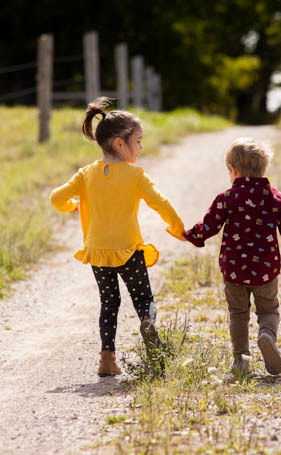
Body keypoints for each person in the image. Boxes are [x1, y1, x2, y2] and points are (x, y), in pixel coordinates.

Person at [49, 97, 185, 377]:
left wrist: (72, 206)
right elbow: (161, 203)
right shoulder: (136, 175)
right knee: (143, 298)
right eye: (138, 140)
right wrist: (177, 228)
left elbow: (56, 197)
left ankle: (107, 359)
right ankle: (151, 341)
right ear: (119, 144)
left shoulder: (86, 174)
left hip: (98, 251)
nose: (141, 146)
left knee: (109, 302)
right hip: (128, 250)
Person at [181, 137, 281, 376]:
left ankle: (241, 359)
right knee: (268, 310)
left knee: (238, 314)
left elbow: (209, 226)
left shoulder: (226, 198)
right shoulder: (275, 197)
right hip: (266, 270)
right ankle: (267, 334)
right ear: (263, 169)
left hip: (234, 269)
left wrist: (189, 235)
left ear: (233, 170)